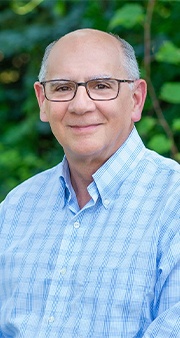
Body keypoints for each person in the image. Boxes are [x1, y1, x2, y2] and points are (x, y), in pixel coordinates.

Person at [0, 28, 179, 338]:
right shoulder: (15, 209)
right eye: (62, 87)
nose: (80, 105)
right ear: (43, 101)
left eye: (101, 85)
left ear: (136, 100)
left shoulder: (173, 204)